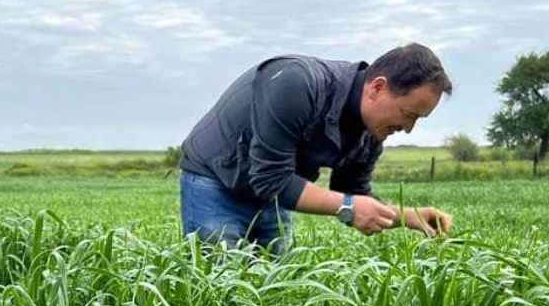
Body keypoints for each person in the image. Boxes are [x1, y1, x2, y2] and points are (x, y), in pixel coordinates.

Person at [177, 43, 454, 254]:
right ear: (378, 87)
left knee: (272, 290)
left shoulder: (370, 134)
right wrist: (347, 206)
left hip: (273, 193)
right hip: (215, 180)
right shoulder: (296, 82)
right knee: (219, 290)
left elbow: (354, 196)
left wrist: (408, 216)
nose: (408, 129)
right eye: (409, 114)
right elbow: (272, 179)